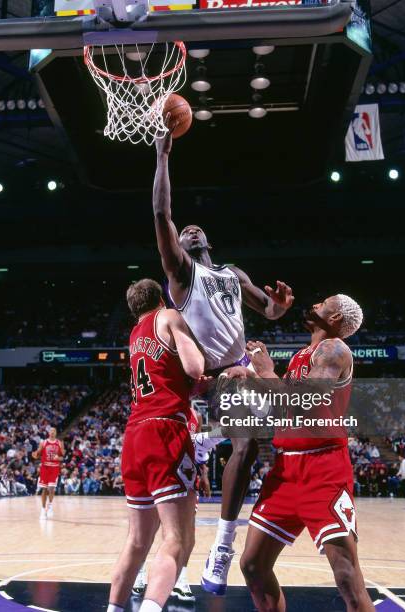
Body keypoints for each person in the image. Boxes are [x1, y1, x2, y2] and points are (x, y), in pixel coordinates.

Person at [153, 128, 294, 594]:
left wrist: (279, 307)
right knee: (249, 440)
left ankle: (208, 451)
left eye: (195, 228)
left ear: (208, 238)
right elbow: (161, 211)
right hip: (212, 378)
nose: (189, 229)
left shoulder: (232, 274)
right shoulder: (181, 274)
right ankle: (222, 547)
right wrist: (163, 157)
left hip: (244, 372)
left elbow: (267, 311)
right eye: (183, 230)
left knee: (255, 444)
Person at [224, 294, 374, 612]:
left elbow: (309, 401)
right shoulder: (300, 357)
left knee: (347, 577)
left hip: (324, 468)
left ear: (334, 318)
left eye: (324, 302)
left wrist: (265, 372)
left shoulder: (334, 349)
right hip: (286, 469)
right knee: (253, 565)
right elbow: (286, 408)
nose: (316, 303)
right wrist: (250, 379)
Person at [107, 279, 204, 612]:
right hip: (165, 430)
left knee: (136, 542)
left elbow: (170, 382)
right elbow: (195, 368)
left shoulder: (135, 335)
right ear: (161, 298)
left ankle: (114, 609)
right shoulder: (169, 316)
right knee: (177, 538)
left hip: (134, 433)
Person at [131, 403, 211, 603]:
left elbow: (198, 447)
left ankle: (180, 579)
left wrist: (205, 474)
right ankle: (139, 570)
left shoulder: (196, 415)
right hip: (160, 468)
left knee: (187, 532)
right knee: (149, 529)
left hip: (186, 473)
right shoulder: (164, 402)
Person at [32, 427, 64, 519]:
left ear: (56, 433)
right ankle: (42, 509)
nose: (52, 432)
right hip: (45, 467)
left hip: (54, 468)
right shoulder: (43, 442)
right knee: (44, 489)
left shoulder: (59, 443)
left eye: (54, 431)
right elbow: (38, 453)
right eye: (51, 431)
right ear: (48, 433)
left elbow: (62, 457)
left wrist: (58, 458)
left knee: (51, 487)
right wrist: (35, 455)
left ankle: (50, 506)